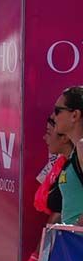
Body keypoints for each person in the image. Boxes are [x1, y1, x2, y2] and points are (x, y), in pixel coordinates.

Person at [11, 114, 72, 261]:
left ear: (65, 136)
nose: (45, 137)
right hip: (57, 247)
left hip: (66, 250)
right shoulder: (58, 163)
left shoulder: (74, 163)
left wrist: (35, 259)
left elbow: (59, 213)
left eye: (50, 130)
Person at [52, 85, 83, 226]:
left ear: (75, 115)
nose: (53, 116)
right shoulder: (76, 150)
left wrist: (73, 232)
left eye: (58, 111)